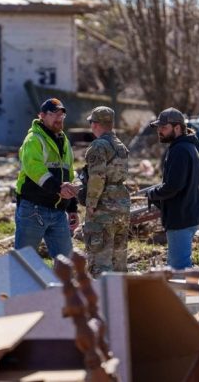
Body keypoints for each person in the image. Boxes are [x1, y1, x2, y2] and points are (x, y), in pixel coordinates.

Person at [146, 107, 199, 269]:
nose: (160, 131)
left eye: (164, 128)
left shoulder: (180, 150)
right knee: (177, 265)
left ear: (177, 128)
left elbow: (173, 186)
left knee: (179, 268)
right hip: (188, 214)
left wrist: (152, 193)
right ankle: (185, 294)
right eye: (159, 128)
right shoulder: (187, 147)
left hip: (181, 217)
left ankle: (187, 295)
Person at [14, 98, 79, 258]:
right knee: (23, 263)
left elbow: (69, 174)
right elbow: (35, 170)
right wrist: (59, 188)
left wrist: (72, 208)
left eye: (62, 115)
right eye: (54, 114)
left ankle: (61, 284)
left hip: (58, 212)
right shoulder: (34, 140)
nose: (59, 118)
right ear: (41, 116)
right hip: (34, 210)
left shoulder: (64, 142)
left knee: (67, 264)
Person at [81, 106, 130, 277]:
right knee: (119, 260)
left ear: (95, 124)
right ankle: (121, 301)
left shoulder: (98, 146)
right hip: (122, 205)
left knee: (99, 260)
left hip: (103, 207)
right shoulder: (120, 145)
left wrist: (91, 204)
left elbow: (97, 177)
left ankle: (103, 300)